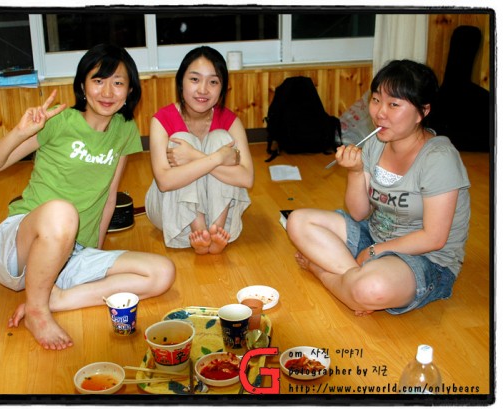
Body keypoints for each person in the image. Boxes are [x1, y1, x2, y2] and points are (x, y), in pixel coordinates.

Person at [0, 44, 176, 350]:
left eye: (118, 82)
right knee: (62, 212)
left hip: (70, 256)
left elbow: (109, 197)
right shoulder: (58, 120)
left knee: (162, 273)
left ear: (130, 91)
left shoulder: (124, 130)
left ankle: (56, 299)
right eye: (98, 80)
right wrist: (20, 132)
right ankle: (37, 311)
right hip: (18, 246)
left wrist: (94, 253)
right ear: (83, 85)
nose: (107, 91)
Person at [286, 59, 470, 316]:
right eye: (375, 100)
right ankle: (354, 281)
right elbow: (359, 213)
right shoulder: (376, 143)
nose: (380, 112)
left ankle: (326, 274)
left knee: (371, 289)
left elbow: (434, 238)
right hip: (376, 236)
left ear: (422, 111)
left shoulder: (439, 158)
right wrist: (355, 172)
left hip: (426, 258)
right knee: (297, 220)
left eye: (394, 104)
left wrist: (374, 252)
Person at [145, 46, 254, 255]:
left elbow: (247, 178)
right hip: (168, 208)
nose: (203, 90)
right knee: (182, 140)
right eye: (195, 79)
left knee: (220, 137)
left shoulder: (230, 121)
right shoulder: (162, 119)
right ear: (181, 82)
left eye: (213, 82)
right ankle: (199, 229)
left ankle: (216, 231)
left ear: (222, 88)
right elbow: (164, 182)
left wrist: (195, 156)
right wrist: (219, 157)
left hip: (217, 208)